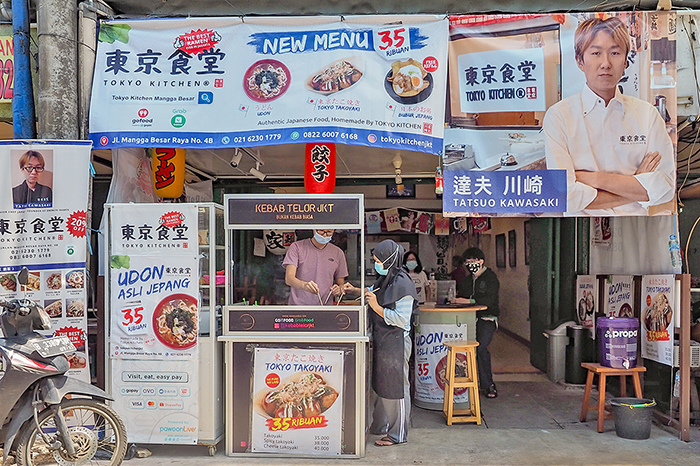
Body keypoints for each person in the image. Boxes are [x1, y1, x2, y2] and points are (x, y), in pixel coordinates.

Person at [543, 17, 674, 216]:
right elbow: (565, 196)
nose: (605, 63)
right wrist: (637, 183)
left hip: (637, 227)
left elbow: (665, 187)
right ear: (580, 61)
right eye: (596, 53)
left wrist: (596, 179)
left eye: (614, 53)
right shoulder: (559, 117)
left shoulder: (647, 115)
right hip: (580, 229)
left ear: (625, 61)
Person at [343, 240, 418, 446]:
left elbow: (401, 320)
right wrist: (354, 290)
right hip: (384, 341)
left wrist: (375, 307)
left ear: (389, 259)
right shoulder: (386, 278)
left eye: (378, 260)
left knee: (397, 388)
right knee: (383, 385)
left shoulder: (403, 283)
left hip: (397, 342)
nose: (376, 263)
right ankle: (382, 426)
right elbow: (372, 290)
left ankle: (398, 434)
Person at [451, 247, 500, 399]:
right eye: (468, 262)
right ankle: (467, 382)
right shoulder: (467, 280)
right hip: (469, 319)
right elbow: (461, 296)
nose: (470, 264)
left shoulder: (490, 278)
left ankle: (488, 384)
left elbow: (490, 301)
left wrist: (469, 301)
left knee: (481, 347)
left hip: (487, 318)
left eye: (473, 261)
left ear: (481, 261)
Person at [282, 229, 348, 305]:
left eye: (329, 232)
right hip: (299, 306)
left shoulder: (338, 253)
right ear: (314, 229)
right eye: (321, 231)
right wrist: (304, 285)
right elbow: (289, 278)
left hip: (325, 306)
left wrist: (338, 290)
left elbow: (341, 283)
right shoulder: (297, 247)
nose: (324, 235)